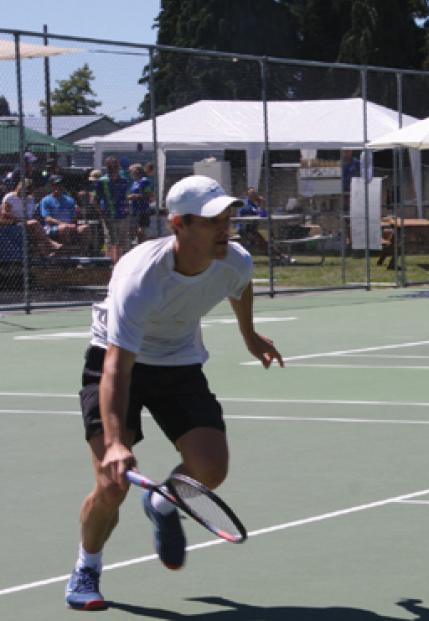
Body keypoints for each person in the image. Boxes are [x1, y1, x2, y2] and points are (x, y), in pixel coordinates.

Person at [64, 175, 284, 611]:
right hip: (117, 363)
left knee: (211, 468)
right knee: (111, 484)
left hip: (178, 364)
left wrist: (250, 335)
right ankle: (86, 567)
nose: (225, 227)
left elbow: (239, 288)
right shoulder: (141, 277)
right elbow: (116, 368)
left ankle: (163, 503)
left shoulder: (234, 260)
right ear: (178, 224)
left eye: (227, 217)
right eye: (211, 220)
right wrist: (113, 444)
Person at [0, 179, 61, 255]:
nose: (27, 193)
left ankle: (45, 257)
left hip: (26, 223)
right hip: (12, 223)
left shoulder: (30, 199)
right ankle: (51, 243)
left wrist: (26, 220)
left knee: (36, 231)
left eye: (28, 191)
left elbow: (31, 215)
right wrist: (19, 219)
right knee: (35, 224)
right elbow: (5, 214)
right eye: (26, 191)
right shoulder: (10, 197)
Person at [37, 175, 94, 253]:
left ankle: (82, 254)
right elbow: (47, 219)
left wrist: (74, 223)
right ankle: (67, 253)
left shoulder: (69, 200)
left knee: (85, 228)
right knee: (64, 228)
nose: (58, 187)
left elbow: (74, 217)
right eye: (56, 185)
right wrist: (64, 224)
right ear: (52, 186)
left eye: (60, 184)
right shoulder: (46, 200)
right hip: (52, 228)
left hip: (69, 226)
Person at [97, 156, 131, 263]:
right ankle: (110, 264)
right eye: (111, 166)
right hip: (108, 215)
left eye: (116, 165)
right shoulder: (102, 181)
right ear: (107, 167)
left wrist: (127, 208)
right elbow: (94, 198)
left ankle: (121, 263)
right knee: (111, 240)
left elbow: (126, 196)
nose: (114, 168)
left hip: (122, 215)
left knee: (123, 241)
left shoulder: (124, 180)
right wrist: (100, 212)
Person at [128, 163, 155, 243]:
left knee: (141, 231)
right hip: (134, 209)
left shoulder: (145, 181)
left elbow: (149, 194)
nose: (130, 174)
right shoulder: (134, 182)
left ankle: (143, 245)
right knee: (133, 231)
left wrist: (135, 196)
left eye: (131, 172)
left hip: (143, 209)